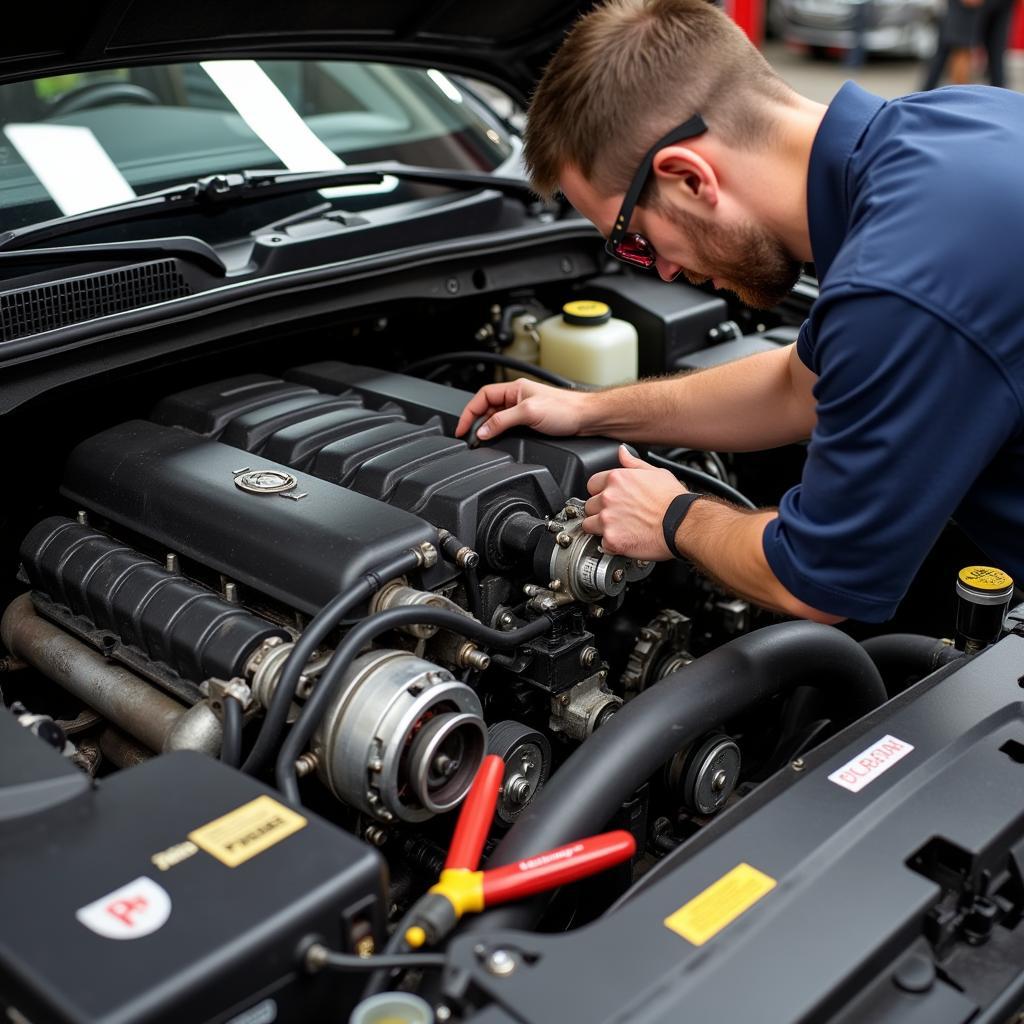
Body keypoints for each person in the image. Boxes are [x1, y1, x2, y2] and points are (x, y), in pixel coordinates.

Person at [455, 0, 1024, 625]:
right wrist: (589, 409)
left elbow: (815, 579)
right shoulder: (954, 120)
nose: (662, 270)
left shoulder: (899, 283)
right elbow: (794, 387)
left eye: (633, 238)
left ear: (688, 178)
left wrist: (673, 517)